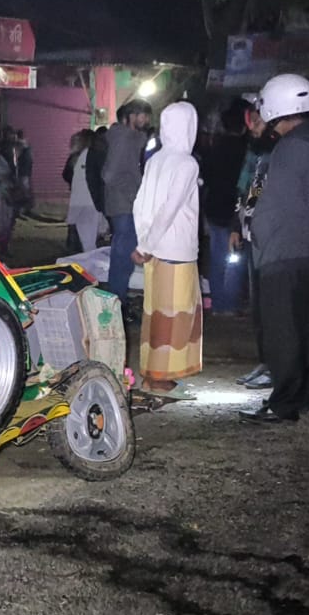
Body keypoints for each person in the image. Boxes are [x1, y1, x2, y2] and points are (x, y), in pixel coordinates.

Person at [241, 74, 309, 424]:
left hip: (284, 250)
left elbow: (276, 203)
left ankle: (283, 405)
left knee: (283, 332)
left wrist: (258, 235)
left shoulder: (290, 148)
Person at [131, 102, 203, 398]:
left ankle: (152, 374)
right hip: (176, 248)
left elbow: (140, 204)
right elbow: (170, 208)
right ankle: (160, 379)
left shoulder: (155, 160)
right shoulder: (187, 164)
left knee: (156, 311)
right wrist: (147, 243)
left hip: (154, 249)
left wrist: (143, 243)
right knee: (174, 315)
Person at [230, 98, 276, 389]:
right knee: (258, 305)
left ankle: (275, 364)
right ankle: (265, 360)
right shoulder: (254, 152)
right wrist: (236, 226)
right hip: (251, 235)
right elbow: (244, 189)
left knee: (271, 304)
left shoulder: (280, 152)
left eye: (257, 122)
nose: (253, 128)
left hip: (271, 238)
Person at [102, 99, 153, 313]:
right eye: (143, 115)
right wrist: (134, 192)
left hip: (126, 203)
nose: (146, 119)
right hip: (124, 204)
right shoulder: (123, 138)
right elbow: (109, 174)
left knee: (123, 257)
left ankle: (118, 301)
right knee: (123, 257)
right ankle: (117, 304)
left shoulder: (132, 138)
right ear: (131, 116)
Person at [199, 99, 250, 315]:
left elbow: (207, 176)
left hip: (214, 207)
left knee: (218, 255)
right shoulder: (246, 150)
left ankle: (219, 302)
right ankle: (229, 303)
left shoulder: (215, 147)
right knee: (234, 258)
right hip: (235, 209)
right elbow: (249, 184)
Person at [63, 130, 101, 253]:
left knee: (86, 241)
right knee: (88, 241)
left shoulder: (79, 158)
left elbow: (70, 177)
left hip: (83, 203)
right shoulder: (90, 156)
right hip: (89, 203)